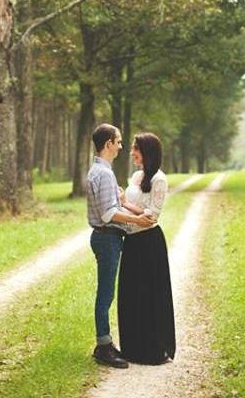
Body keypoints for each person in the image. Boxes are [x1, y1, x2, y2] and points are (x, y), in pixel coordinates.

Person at [86, 124, 155, 369]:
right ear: (108, 144)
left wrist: (127, 205)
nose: (121, 146)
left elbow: (112, 206)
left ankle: (106, 342)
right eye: (118, 142)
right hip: (107, 239)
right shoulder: (103, 173)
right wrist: (136, 219)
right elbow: (108, 214)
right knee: (105, 294)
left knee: (107, 293)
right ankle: (103, 347)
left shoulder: (100, 171)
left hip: (107, 238)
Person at [117, 132, 176, 365]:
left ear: (148, 153)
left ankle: (152, 349)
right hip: (131, 242)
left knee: (149, 296)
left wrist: (125, 205)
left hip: (149, 243)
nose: (132, 153)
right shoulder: (136, 176)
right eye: (132, 148)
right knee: (130, 296)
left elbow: (152, 215)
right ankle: (131, 348)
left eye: (136, 150)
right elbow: (135, 211)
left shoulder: (159, 179)